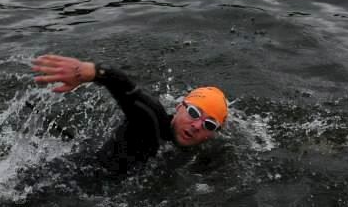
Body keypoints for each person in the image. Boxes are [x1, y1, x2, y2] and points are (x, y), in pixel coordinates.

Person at [31, 54, 227, 171]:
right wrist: (91, 71)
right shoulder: (153, 122)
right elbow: (129, 91)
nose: (196, 125)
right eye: (194, 112)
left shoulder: (201, 154)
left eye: (209, 124)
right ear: (179, 107)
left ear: (212, 134)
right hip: (74, 177)